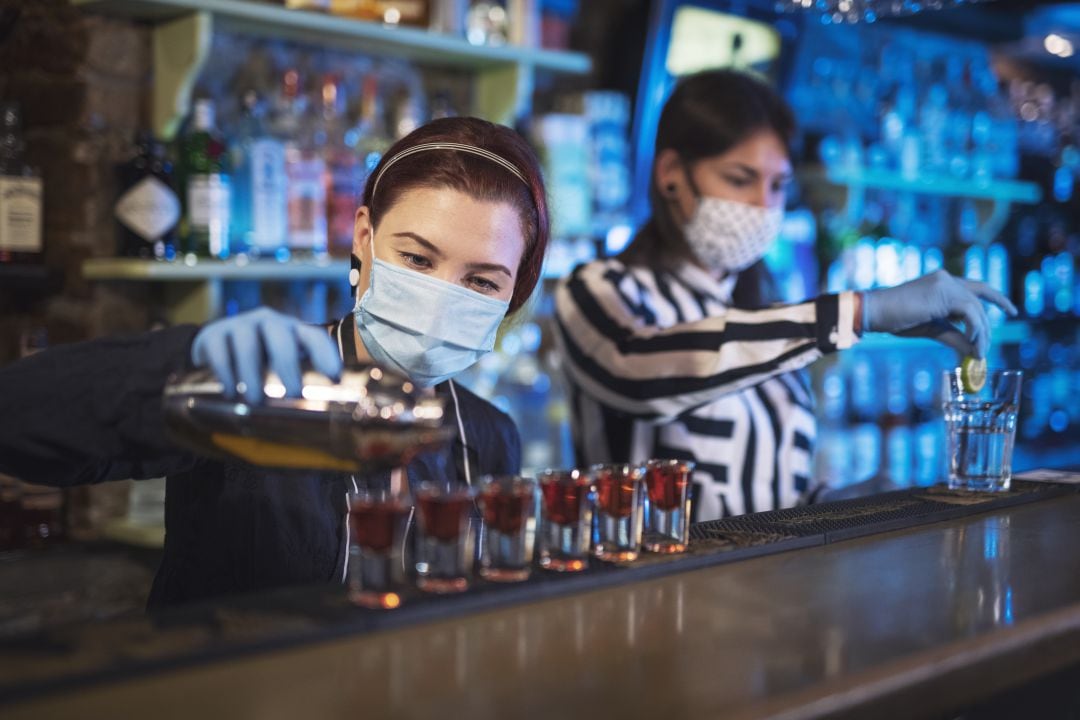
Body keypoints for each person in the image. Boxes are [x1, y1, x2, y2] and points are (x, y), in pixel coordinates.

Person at [0, 116, 550, 607]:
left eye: (480, 280)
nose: (440, 295)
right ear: (364, 238)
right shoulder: (260, 384)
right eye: (416, 258)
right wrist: (181, 362)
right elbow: (19, 421)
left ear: (513, 294)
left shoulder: (489, 436)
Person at [553, 70, 1016, 520]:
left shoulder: (766, 312)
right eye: (739, 178)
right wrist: (858, 311)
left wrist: (839, 504)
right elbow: (642, 372)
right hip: (654, 589)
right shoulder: (596, 289)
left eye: (777, 186)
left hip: (772, 593)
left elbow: (766, 497)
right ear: (671, 173)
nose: (763, 205)